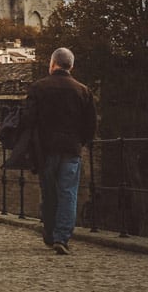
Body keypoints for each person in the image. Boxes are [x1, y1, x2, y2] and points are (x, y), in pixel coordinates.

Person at [25, 47, 96, 255]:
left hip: (46, 149)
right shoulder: (83, 91)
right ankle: (62, 237)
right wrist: (80, 141)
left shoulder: (38, 88)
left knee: (49, 192)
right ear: (71, 66)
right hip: (71, 149)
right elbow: (90, 125)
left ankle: (49, 233)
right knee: (68, 193)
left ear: (52, 64)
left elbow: (28, 119)